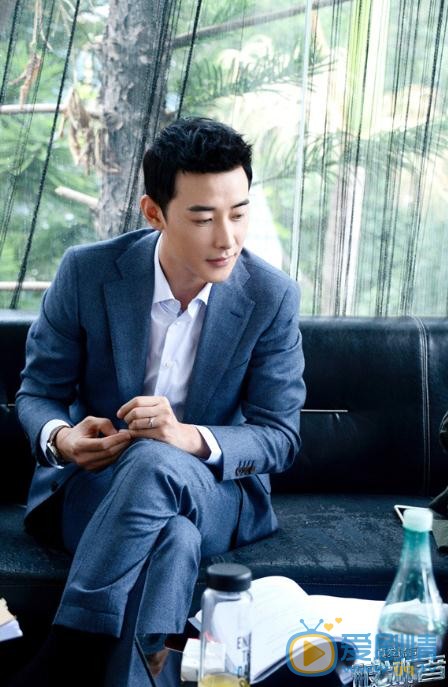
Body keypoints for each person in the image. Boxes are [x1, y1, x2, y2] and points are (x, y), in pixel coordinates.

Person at [11, 117, 306, 686]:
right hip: (96, 488)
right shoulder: (87, 272)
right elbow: (39, 392)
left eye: (239, 213)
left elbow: (280, 436)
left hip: (211, 492)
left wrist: (187, 438)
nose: (227, 238)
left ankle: (68, 649)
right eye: (203, 217)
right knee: (174, 539)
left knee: (154, 461)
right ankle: (143, 670)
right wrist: (63, 439)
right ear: (154, 213)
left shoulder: (271, 297)